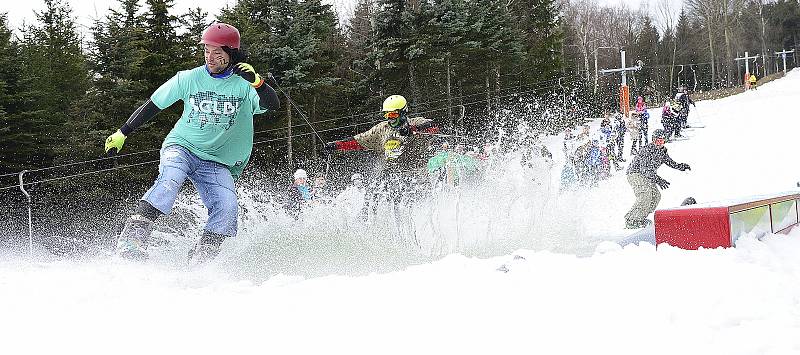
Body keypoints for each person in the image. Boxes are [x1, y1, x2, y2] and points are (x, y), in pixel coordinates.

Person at [103, 23, 280, 264]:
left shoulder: (244, 86)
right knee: (169, 181)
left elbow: (272, 104)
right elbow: (154, 104)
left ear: (232, 54)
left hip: (217, 162)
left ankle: (201, 259)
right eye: (207, 50)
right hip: (182, 147)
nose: (210, 57)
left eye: (218, 52)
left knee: (227, 209)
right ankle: (133, 240)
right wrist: (123, 132)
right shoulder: (188, 78)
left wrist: (257, 82)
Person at [324, 95, 438, 203]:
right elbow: (359, 141)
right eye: (387, 115)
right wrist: (336, 145)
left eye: (392, 115)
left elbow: (433, 126)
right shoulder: (382, 129)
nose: (390, 119)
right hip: (391, 175)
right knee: (372, 197)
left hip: (415, 175)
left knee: (414, 202)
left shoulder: (415, 122)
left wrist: (413, 129)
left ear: (402, 113)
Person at [624, 129, 691, 229]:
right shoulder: (647, 150)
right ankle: (631, 219)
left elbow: (669, 162)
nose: (659, 143)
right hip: (636, 173)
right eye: (657, 141)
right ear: (653, 140)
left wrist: (680, 166)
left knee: (656, 196)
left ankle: (640, 218)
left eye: (662, 141)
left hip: (649, 175)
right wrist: (658, 180)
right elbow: (644, 169)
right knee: (645, 195)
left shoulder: (662, 151)